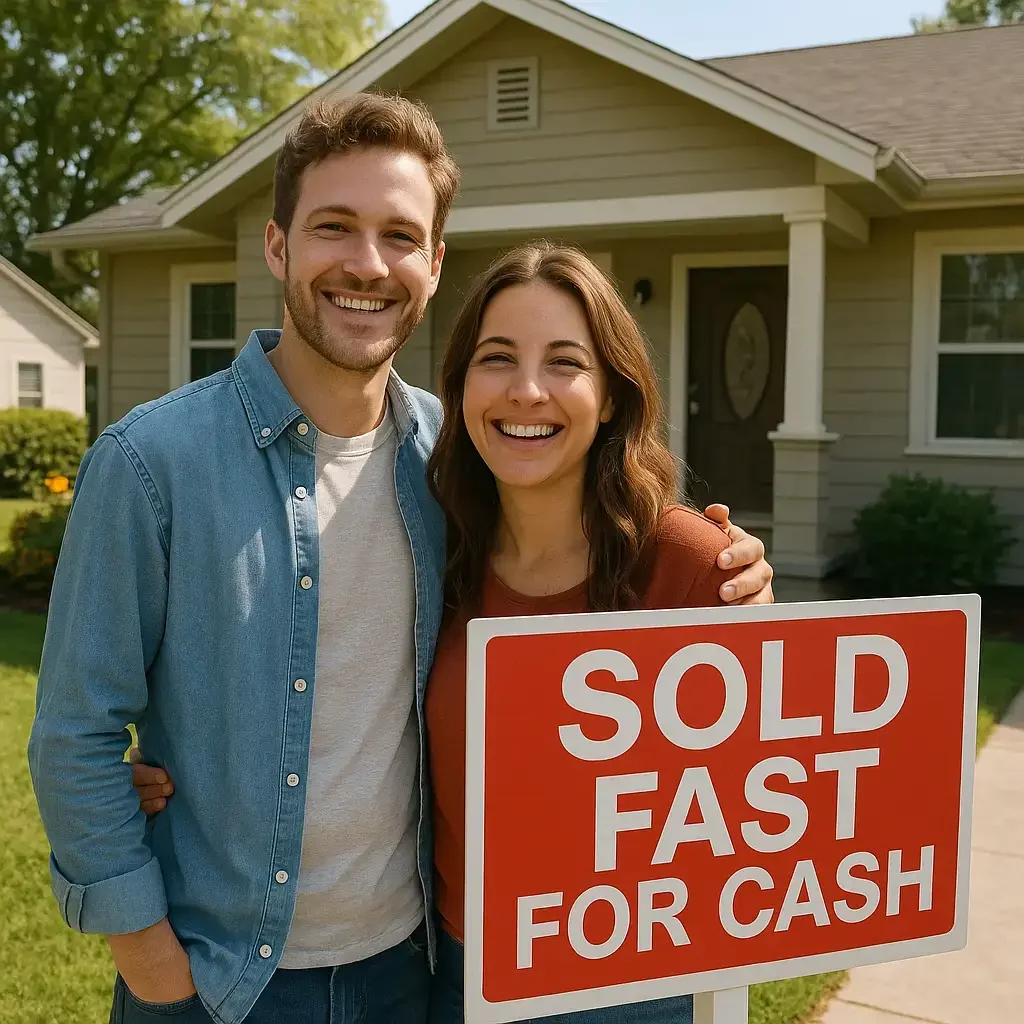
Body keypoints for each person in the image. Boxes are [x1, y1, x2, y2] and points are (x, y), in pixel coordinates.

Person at [30, 92, 773, 1024]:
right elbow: (75, 733)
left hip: (407, 972)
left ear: (434, 263)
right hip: (219, 981)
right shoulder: (152, 463)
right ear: (277, 246)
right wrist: (150, 962)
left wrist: (718, 567)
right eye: (333, 227)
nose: (368, 264)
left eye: (399, 236)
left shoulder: (453, 461)